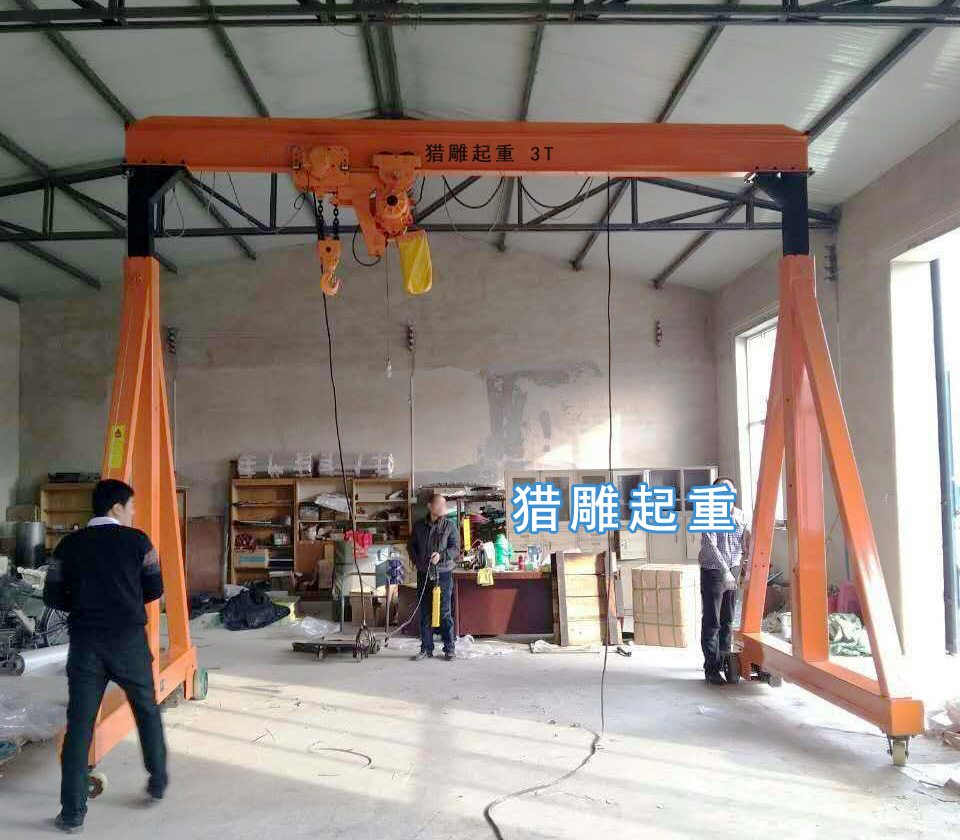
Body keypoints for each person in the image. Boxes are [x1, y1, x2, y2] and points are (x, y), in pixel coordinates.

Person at [43, 479, 168, 834]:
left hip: (86, 644)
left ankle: (72, 814)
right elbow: (155, 589)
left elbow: (53, 596)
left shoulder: (68, 546)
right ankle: (157, 783)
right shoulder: (139, 541)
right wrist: (125, 597)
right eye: (131, 506)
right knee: (146, 711)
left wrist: (84, 602)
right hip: (129, 641)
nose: (133, 513)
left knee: (79, 725)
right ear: (116, 507)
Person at [698, 476, 750, 686]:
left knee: (728, 620)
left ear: (734, 493)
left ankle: (723, 662)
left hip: (733, 568)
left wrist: (746, 562)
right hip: (714, 571)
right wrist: (725, 570)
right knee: (713, 621)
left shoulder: (741, 515)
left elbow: (745, 541)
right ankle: (711, 669)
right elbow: (710, 546)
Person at [406, 493, 460, 661]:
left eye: (444, 504)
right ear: (430, 506)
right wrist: (418, 562)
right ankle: (426, 648)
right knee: (425, 612)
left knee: (444, 612)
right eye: (439, 504)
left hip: (443, 574)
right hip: (424, 574)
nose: (443, 507)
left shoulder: (450, 526)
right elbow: (411, 546)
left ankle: (449, 648)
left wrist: (441, 556)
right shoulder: (419, 526)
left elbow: (455, 548)